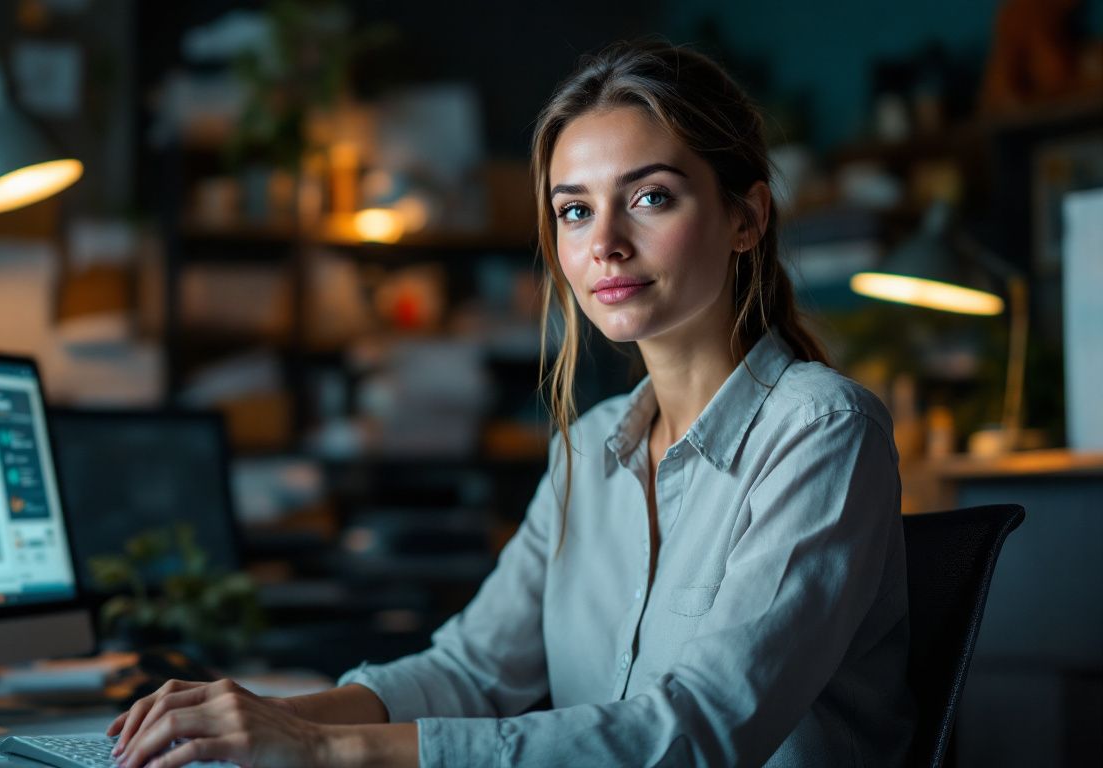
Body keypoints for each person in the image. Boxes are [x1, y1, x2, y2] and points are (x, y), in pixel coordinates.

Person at [107, 39, 915, 768]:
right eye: (574, 210)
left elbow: (698, 733)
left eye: (651, 197)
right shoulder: (589, 448)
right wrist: (258, 719)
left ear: (746, 217)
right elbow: (471, 671)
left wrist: (326, 749)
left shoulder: (822, 431)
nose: (603, 243)